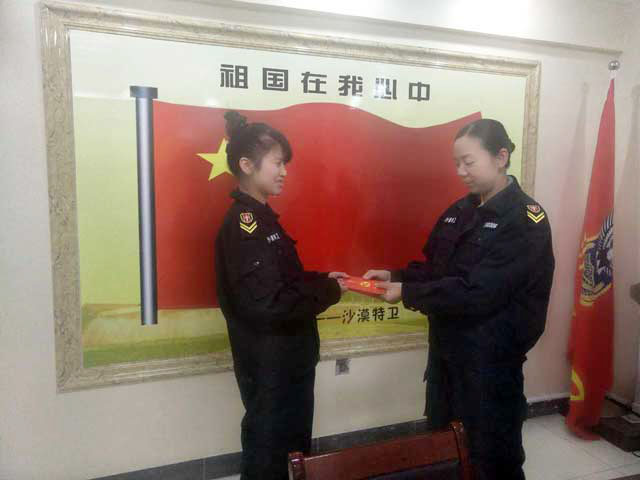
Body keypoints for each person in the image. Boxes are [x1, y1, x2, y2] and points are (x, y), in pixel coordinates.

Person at [365, 119, 555, 480]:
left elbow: (479, 292)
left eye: (469, 162)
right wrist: (398, 276)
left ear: (501, 157)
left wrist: (408, 293)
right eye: (457, 163)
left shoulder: (525, 220)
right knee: (445, 452)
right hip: (447, 359)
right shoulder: (458, 212)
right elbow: (436, 270)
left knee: (491, 460)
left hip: (490, 367)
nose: (460, 172)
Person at [214, 111, 348, 480]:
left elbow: (283, 281)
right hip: (270, 365)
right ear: (247, 165)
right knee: (268, 457)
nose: (284, 172)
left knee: (291, 453)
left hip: (287, 362)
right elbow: (267, 304)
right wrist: (326, 292)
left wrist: (323, 280)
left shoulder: (263, 218)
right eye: (277, 163)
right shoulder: (245, 226)